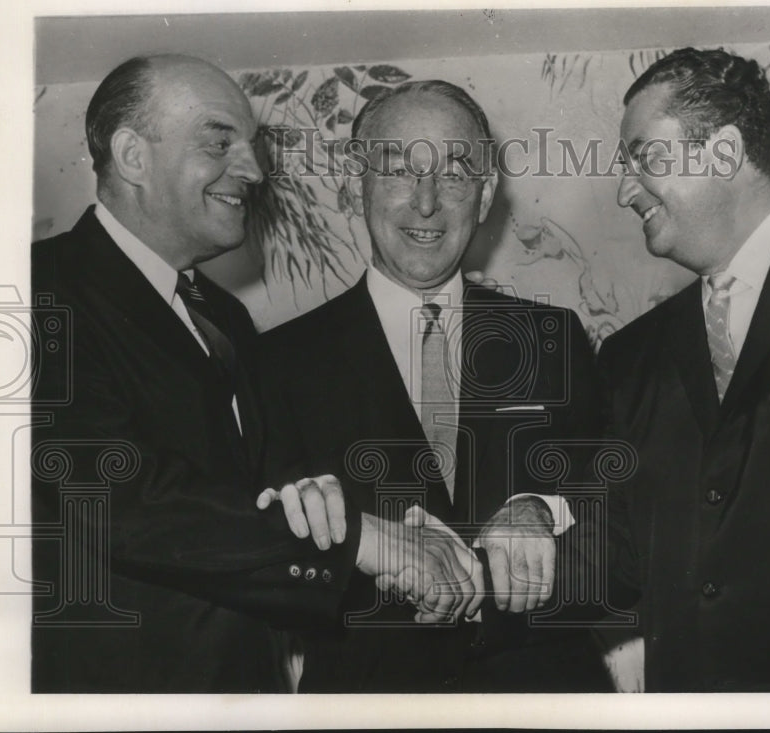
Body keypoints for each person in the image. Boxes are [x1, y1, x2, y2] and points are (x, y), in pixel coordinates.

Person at [30, 55, 467, 693]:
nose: (254, 170)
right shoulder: (35, 289)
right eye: (220, 142)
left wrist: (382, 526)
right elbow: (111, 490)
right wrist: (361, 544)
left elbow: (263, 498)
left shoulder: (224, 318)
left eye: (254, 146)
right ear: (131, 156)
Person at [256, 80, 611, 692]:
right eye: (397, 171)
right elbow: (264, 561)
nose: (425, 204)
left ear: (486, 193)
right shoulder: (276, 361)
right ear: (353, 185)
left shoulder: (552, 335)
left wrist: (541, 509)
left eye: (453, 173)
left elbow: (619, 502)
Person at [599, 47, 770, 691]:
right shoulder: (627, 357)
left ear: (725, 152)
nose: (625, 192)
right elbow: (617, 556)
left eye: (643, 159)